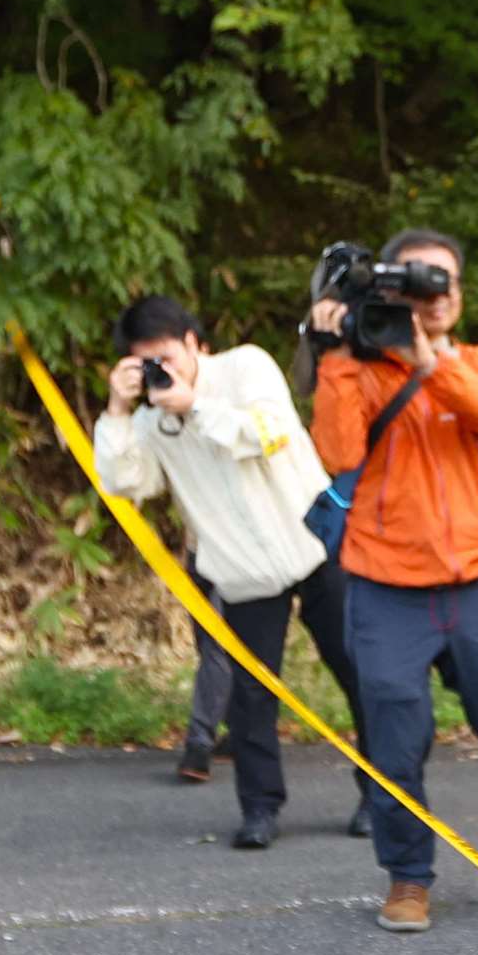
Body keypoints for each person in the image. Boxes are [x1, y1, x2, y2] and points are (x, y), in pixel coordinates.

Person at [309, 229, 478, 934]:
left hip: (473, 583)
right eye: (418, 281)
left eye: (445, 281)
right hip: (385, 587)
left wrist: (431, 361)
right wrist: (336, 354)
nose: (434, 295)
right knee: (395, 743)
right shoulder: (361, 370)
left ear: (460, 293)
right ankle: (408, 875)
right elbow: (338, 451)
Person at [93, 296, 365, 850]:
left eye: (167, 356)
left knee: (359, 673)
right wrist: (118, 412)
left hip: (314, 546)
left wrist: (194, 406)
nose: (160, 370)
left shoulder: (246, 367)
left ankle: (384, 796)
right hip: (241, 569)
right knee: (251, 696)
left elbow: (267, 434)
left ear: (194, 343)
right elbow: (125, 483)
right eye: (145, 362)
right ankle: (260, 808)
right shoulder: (150, 421)